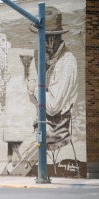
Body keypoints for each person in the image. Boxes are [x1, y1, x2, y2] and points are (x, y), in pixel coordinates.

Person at [27, 7, 78, 160]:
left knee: (51, 165)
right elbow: (31, 89)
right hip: (41, 130)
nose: (39, 42)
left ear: (51, 39)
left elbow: (53, 106)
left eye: (42, 37)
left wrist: (36, 89)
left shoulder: (67, 62)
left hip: (58, 137)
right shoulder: (40, 57)